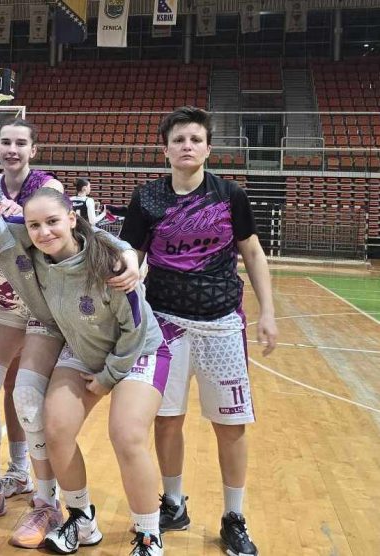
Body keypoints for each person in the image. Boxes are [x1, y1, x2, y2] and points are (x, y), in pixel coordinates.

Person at [0, 161, 138, 545]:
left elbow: (88, 232)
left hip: (42, 313)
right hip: (1, 312)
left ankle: (46, 502)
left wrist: (128, 254)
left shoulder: (13, 226)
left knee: (26, 397)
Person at [119, 106, 276, 556]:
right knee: (167, 420)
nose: (187, 146)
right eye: (178, 140)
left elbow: (252, 252)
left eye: (195, 139)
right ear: (165, 150)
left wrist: (267, 311)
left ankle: (234, 517)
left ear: (208, 148)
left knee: (231, 425)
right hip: (164, 325)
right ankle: (173, 503)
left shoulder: (229, 195)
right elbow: (131, 255)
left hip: (221, 323)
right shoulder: (147, 198)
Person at [18, 188, 170, 555]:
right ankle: (82, 520)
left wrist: (108, 377)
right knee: (56, 428)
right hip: (85, 349)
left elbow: (135, 328)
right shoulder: (37, 257)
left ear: (72, 219)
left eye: (53, 221)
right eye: (34, 225)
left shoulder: (111, 263)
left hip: (137, 350)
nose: (43, 232)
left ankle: (149, 535)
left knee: (126, 435)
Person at [0, 118, 65, 500]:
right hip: (10, 294)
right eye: (6, 142)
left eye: (20, 143)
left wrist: (15, 212)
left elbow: (53, 234)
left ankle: (52, 482)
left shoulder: (49, 186)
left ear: (33, 150)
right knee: (11, 386)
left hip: (47, 298)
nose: (12, 150)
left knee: (36, 394)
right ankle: (19, 471)